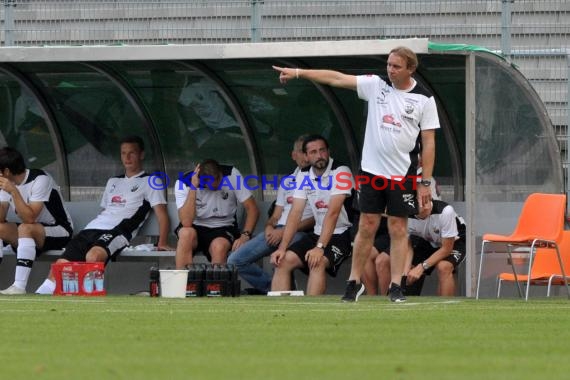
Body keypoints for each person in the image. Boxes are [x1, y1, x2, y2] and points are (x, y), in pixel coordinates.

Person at [274, 45, 440, 302]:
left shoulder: (424, 99)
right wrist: (298, 72)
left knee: (398, 228)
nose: (390, 70)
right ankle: (354, 282)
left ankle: (396, 285)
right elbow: (337, 78)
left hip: (402, 175)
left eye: (396, 66)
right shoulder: (376, 85)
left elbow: (428, 143)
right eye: (388, 64)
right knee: (366, 225)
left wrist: (425, 182)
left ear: (410, 68)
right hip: (372, 172)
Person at [35, 135, 171, 295]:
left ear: (141, 155)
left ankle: (88, 295)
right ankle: (40, 296)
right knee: (61, 264)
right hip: (91, 229)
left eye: (132, 153)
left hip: (117, 232)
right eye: (123, 153)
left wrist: (162, 242)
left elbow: (162, 215)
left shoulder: (151, 181)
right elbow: (105, 211)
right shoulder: (113, 181)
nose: (127, 157)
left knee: (93, 256)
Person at [227, 135, 315, 295]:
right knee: (235, 260)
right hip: (277, 230)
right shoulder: (288, 181)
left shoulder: (321, 180)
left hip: (302, 232)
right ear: (294, 155)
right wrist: (269, 227)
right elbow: (276, 215)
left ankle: (279, 288)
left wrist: (284, 231)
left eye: (308, 152)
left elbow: (317, 217)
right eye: (302, 152)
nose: (306, 156)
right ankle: (273, 288)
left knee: (280, 259)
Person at [270, 134, 354, 295]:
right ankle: (280, 315)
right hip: (316, 233)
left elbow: (333, 213)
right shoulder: (303, 174)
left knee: (317, 261)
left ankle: (312, 312)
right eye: (313, 152)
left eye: (322, 150)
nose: (319, 155)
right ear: (306, 156)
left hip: (341, 234)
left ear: (328, 151)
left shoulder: (341, 171)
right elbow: (295, 213)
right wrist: (282, 247)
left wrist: (319, 247)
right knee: (283, 261)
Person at [0, 147, 73, 295]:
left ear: (6, 172)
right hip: (31, 233)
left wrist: (13, 191)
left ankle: (19, 286)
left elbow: (30, 218)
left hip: (59, 230)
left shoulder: (41, 179)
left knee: (26, 228)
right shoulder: (6, 185)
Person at [363, 171, 440, 296]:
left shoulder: (425, 179)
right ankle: (373, 298)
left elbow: (425, 210)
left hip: (419, 234)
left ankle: (387, 298)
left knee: (382, 261)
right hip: (398, 229)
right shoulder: (393, 175)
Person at [174, 159, 259, 268]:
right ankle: (184, 283)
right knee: (186, 234)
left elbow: (252, 209)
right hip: (195, 226)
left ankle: (215, 284)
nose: (216, 188)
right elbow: (186, 222)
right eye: (212, 186)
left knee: (219, 247)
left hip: (223, 227)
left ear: (220, 174)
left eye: (218, 182)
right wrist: (193, 188)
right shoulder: (184, 182)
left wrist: (245, 235)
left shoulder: (232, 174)